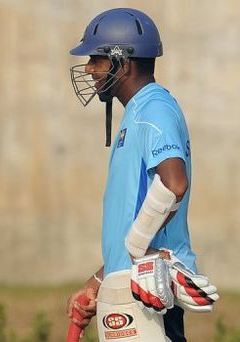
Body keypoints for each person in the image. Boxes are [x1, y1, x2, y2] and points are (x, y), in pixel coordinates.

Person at [65, 8, 219, 341]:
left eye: (97, 58)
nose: (90, 68)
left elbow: (174, 184)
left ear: (123, 62)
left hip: (146, 289)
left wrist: (135, 248)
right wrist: (98, 281)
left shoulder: (154, 109)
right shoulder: (139, 112)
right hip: (128, 284)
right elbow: (136, 223)